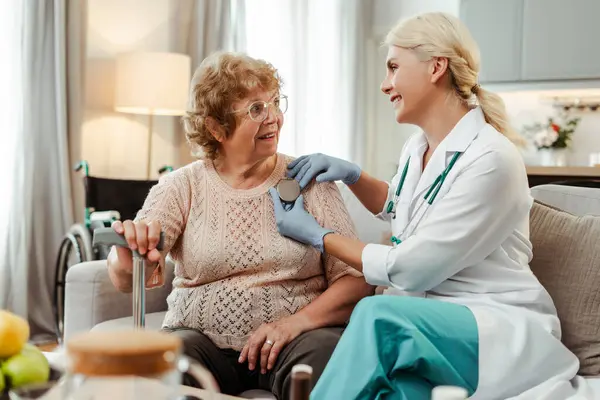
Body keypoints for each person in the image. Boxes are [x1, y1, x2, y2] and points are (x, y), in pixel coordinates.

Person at [269, 12, 592, 400]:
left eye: (393, 67)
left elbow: (410, 268)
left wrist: (319, 236)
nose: (385, 84)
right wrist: (354, 176)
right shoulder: (418, 147)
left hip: (492, 328)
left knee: (377, 316)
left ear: (436, 66)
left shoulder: (492, 159)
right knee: (390, 393)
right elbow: (405, 205)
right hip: (431, 329)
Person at [106, 51, 373, 398]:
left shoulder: (311, 181)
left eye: (275, 103)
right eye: (256, 109)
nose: (274, 117)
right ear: (216, 127)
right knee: (170, 359)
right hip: (200, 341)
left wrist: (294, 324)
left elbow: (355, 280)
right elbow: (129, 272)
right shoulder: (182, 186)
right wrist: (126, 257)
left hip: (297, 340)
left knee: (323, 356)